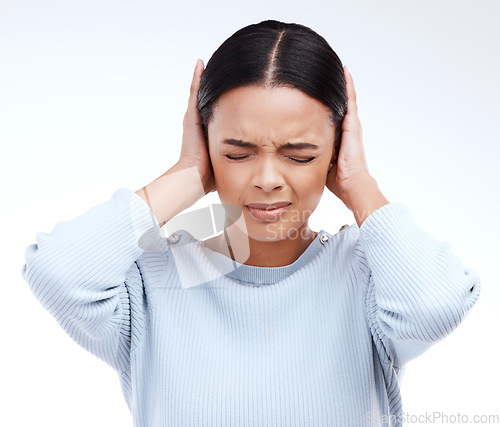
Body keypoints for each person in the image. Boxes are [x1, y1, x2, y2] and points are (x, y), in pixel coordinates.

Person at [21, 19, 481, 427]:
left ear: (337, 151)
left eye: (299, 155)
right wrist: (186, 176)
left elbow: (436, 304)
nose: (266, 180)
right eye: (237, 153)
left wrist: (359, 183)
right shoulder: (155, 280)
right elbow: (57, 272)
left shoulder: (368, 276)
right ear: (205, 142)